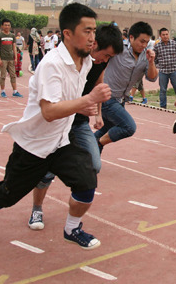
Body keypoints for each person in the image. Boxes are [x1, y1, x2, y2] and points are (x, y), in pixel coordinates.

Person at [0, 3, 112, 249]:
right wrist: (87, 100)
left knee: (87, 181)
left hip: (62, 142)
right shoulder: (51, 64)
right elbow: (48, 112)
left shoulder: (86, 62)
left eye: (94, 31)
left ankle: (72, 228)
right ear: (67, 33)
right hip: (34, 146)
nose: (93, 38)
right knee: (6, 195)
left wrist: (81, 107)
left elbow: (64, 102)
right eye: (87, 31)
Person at [27, 22, 124, 230]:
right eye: (105, 55)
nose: (105, 61)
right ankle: (37, 208)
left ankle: (71, 189)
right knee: (46, 171)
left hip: (78, 123)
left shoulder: (98, 63)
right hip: (59, 119)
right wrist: (81, 106)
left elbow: (98, 82)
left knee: (94, 165)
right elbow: (53, 103)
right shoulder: (67, 61)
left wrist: (98, 113)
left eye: (109, 58)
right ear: (94, 44)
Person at [95, 21, 158, 152]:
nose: (144, 45)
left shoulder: (146, 55)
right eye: (141, 41)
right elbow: (100, 59)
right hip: (108, 98)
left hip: (121, 100)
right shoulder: (119, 49)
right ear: (131, 37)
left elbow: (152, 78)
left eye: (147, 42)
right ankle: (96, 145)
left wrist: (151, 62)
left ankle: (87, 154)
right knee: (128, 127)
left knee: (105, 130)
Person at [154, 27, 176, 108]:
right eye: (163, 35)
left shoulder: (175, 44)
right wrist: (158, 66)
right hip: (163, 72)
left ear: (168, 34)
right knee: (162, 90)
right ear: (160, 35)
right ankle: (163, 106)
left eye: (166, 34)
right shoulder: (157, 46)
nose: (165, 36)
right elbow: (154, 59)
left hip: (174, 71)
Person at [0, 19, 23, 98]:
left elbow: (14, 47)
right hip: (3, 59)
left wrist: (16, 58)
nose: (7, 27)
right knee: (3, 75)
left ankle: (15, 91)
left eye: (8, 25)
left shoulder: (12, 36)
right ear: (2, 26)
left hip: (11, 58)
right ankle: (3, 91)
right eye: (5, 25)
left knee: (13, 75)